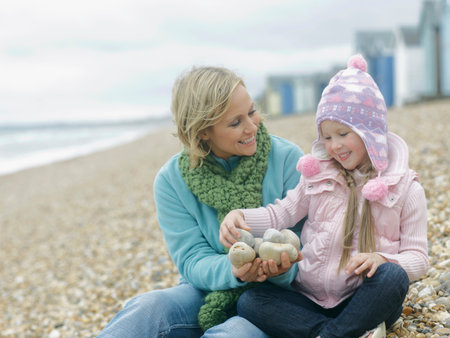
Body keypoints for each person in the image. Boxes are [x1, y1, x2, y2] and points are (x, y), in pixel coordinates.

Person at [220, 54, 429, 338]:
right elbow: (281, 213)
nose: (335, 146)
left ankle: (338, 330)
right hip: (309, 299)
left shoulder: (406, 189)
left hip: (364, 298)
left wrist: (382, 259)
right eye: (327, 137)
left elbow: (418, 258)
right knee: (250, 301)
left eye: (343, 134)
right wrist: (241, 216)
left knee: (392, 279)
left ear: (371, 133)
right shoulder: (317, 176)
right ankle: (342, 332)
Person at [98, 66, 305, 337]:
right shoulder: (171, 180)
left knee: (235, 334)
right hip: (206, 292)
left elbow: (308, 248)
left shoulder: (289, 159)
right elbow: (192, 259)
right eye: (235, 122)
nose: (252, 126)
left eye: (252, 112)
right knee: (147, 308)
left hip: (277, 298)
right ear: (203, 131)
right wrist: (236, 270)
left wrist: (279, 268)